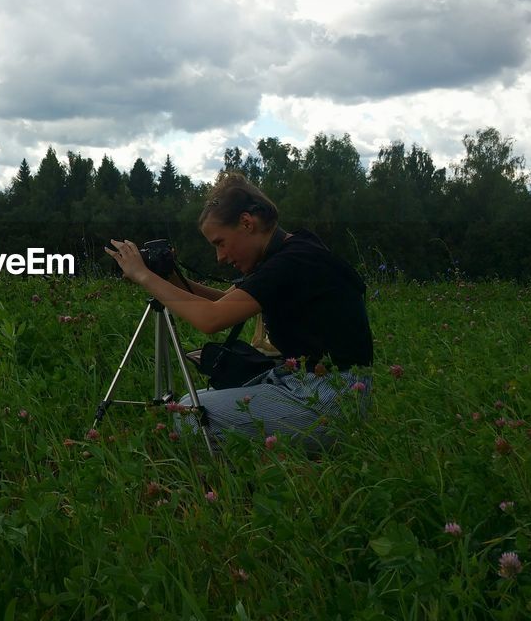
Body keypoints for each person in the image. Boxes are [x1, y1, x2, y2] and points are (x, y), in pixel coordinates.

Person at [105, 171, 374, 452]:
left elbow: (212, 319)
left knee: (188, 416)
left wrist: (144, 277)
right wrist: (171, 278)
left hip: (330, 396)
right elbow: (224, 302)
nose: (220, 257)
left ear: (246, 223)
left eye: (220, 243)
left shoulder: (291, 262)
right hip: (312, 384)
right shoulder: (293, 250)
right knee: (190, 403)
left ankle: (254, 469)